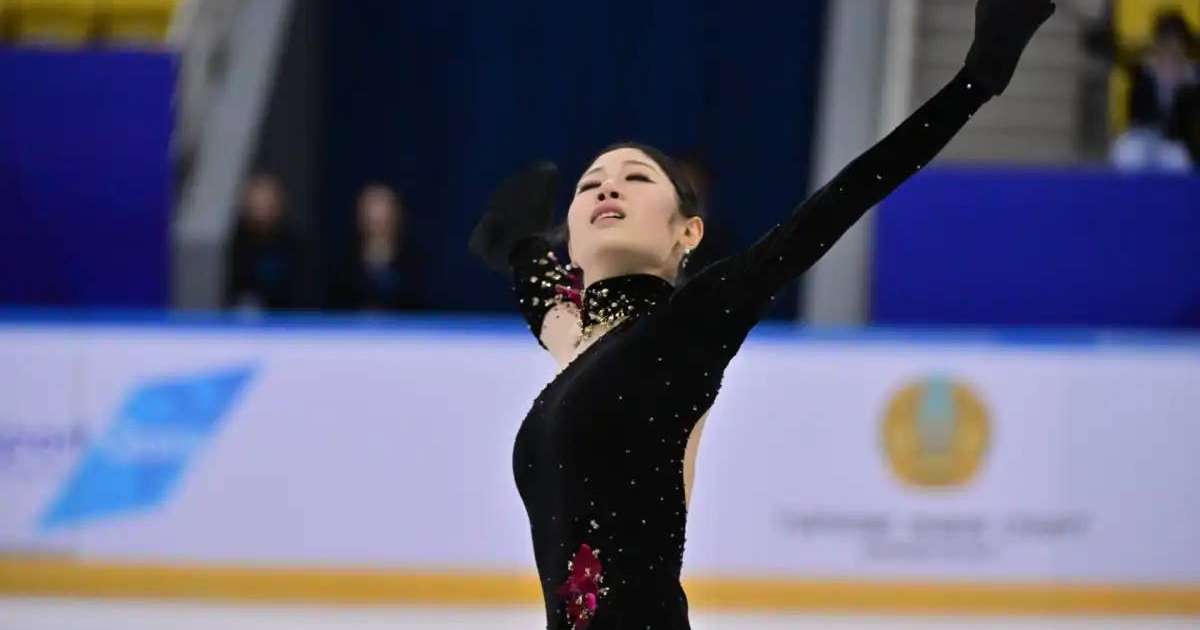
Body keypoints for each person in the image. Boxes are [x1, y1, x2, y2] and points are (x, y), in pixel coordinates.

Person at [468, 2, 1054, 628]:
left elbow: (839, 202)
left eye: (636, 179)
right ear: (573, 241)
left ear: (687, 232)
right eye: (591, 185)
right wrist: (518, 246)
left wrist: (974, 82)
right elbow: (547, 299)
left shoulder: (687, 326)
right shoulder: (577, 345)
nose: (607, 188)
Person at [1107, 11, 1200, 171]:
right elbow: (1135, 113)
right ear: (1158, 42)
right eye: (1166, 41)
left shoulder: (1192, 76)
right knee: (1128, 153)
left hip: (1175, 141)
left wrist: (1184, 87)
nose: (1172, 47)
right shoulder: (1143, 72)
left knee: (1178, 161)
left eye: (1176, 41)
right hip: (1144, 135)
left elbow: (1191, 122)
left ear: (1184, 43)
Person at [328, 183, 425, 312]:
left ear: (396, 213)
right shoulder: (341, 262)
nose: (376, 216)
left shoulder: (416, 263)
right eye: (370, 207)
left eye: (383, 207)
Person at [224, 173, 301, 310]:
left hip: (288, 319)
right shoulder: (238, 243)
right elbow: (234, 290)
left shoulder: (294, 244)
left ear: (278, 203)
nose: (262, 207)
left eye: (268, 201)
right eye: (257, 201)